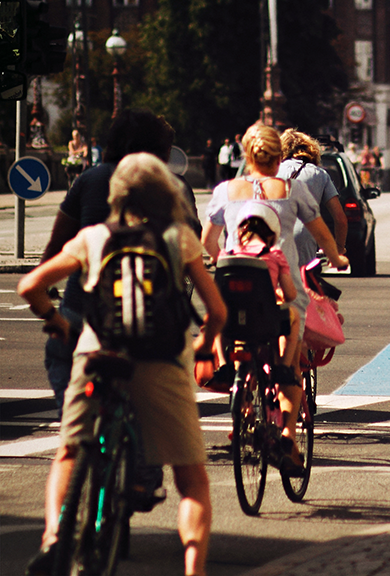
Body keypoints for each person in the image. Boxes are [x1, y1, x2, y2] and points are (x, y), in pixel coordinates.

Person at [18, 153, 227, 576]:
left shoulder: (94, 236)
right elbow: (217, 311)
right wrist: (205, 344)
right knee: (191, 480)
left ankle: (55, 535)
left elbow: (31, 285)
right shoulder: (177, 238)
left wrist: (57, 322)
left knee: (69, 451)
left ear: (116, 194)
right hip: (160, 362)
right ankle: (194, 569)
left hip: (98, 354)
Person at [202, 123, 344, 473]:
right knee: (290, 365)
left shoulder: (225, 190)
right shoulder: (291, 189)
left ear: (246, 156)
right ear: (279, 158)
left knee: (234, 331)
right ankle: (286, 436)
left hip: (234, 280)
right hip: (280, 288)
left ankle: (237, 388)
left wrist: (225, 260)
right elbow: (321, 232)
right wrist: (337, 257)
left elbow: (208, 242)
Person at [38, 108, 188, 415]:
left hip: (82, 310)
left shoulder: (88, 180)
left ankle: (76, 444)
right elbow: (187, 255)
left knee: (64, 377)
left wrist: (51, 313)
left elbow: (54, 246)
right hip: (147, 321)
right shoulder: (173, 188)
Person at [229, 200, 301, 377]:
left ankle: (226, 367)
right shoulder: (275, 255)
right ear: (271, 231)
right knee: (295, 317)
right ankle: (284, 367)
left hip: (232, 317)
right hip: (265, 317)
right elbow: (290, 294)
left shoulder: (228, 254)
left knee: (239, 337)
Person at [278, 129, 349, 274]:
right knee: (306, 288)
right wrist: (339, 249)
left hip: (273, 239)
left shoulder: (271, 171)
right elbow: (340, 218)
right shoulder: (319, 174)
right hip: (304, 241)